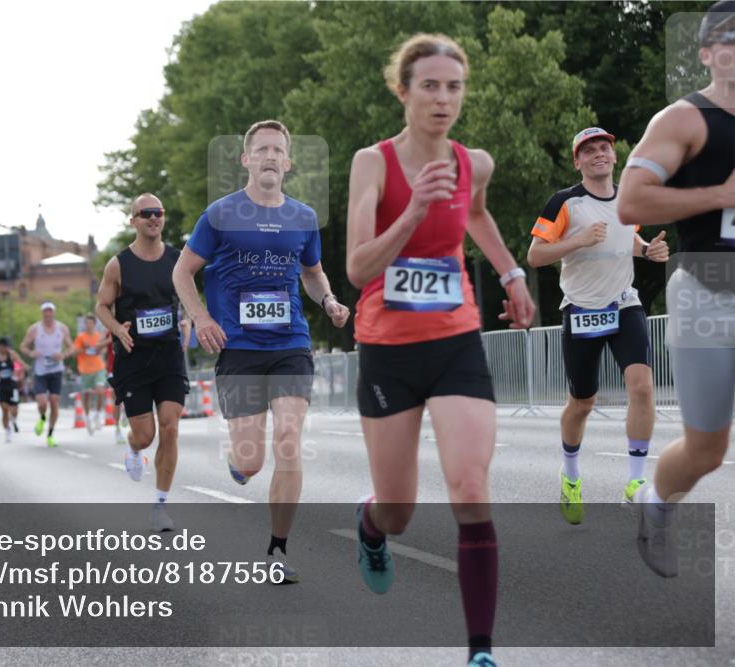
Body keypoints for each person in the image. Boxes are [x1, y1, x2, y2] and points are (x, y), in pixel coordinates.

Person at [345, 34, 535, 666]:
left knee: (471, 486)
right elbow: (357, 268)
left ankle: (481, 651)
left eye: (454, 87)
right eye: (429, 85)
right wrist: (412, 211)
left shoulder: (473, 162)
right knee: (398, 510)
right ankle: (371, 526)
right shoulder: (373, 163)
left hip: (455, 341)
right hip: (388, 352)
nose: (443, 99)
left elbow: (475, 214)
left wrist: (511, 274)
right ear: (403, 91)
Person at [173, 119, 351, 582]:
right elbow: (182, 272)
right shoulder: (220, 214)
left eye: (278, 150)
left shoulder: (303, 217)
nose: (270, 156)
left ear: (288, 163)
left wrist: (329, 301)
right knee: (251, 460)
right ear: (246, 160)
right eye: (262, 149)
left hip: (290, 343)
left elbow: (312, 272)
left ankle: (277, 550)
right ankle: (238, 463)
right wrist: (202, 318)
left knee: (289, 440)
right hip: (239, 348)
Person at [617, 0, 735, 578]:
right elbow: (631, 203)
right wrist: (720, 195)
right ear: (707, 54)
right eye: (730, 40)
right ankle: (658, 503)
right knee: (707, 450)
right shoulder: (685, 120)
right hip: (710, 293)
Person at [527, 127, 670, 523]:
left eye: (604, 147)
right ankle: (571, 475)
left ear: (614, 155)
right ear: (578, 161)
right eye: (588, 151)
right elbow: (535, 255)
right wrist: (578, 241)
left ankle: (635, 481)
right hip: (582, 310)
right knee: (582, 403)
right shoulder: (565, 203)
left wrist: (648, 250)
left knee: (642, 387)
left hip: (624, 304)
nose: (598, 154)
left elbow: (627, 239)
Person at [96, 192, 192, 531]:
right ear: (133, 220)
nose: (153, 217)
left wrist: (188, 320)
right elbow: (101, 306)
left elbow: (188, 298)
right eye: (146, 213)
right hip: (133, 359)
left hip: (168, 355)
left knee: (170, 426)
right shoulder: (118, 264)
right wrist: (116, 329)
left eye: (158, 212)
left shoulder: (179, 260)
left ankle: (160, 506)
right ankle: (134, 448)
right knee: (145, 436)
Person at [20, 302, 72, 447]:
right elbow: (23, 346)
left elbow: (71, 347)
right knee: (42, 402)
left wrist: (63, 354)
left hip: (56, 370)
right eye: (45, 311)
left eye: (50, 311)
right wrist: (31, 352)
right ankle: (42, 418)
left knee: (54, 402)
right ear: (42, 313)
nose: (48, 314)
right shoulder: (35, 329)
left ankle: (50, 435)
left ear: (54, 312)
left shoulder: (62, 328)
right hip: (40, 371)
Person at [73, 314, 111, 434]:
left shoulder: (99, 336)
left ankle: (98, 415)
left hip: (99, 368)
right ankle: (88, 417)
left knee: (101, 391)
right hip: (85, 370)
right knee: (86, 396)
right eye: (87, 323)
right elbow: (74, 352)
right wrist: (84, 348)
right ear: (85, 324)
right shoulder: (81, 337)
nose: (89, 325)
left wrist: (99, 349)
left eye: (91, 323)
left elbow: (104, 350)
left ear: (94, 324)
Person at [0, 336, 25, 443]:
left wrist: (18, 374)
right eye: (3, 346)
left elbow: (20, 365)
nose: (5, 348)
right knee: (4, 409)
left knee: (14, 408)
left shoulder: (12, 354)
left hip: (12, 384)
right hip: (2, 385)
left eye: (6, 346)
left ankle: (13, 419)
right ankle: (7, 430)